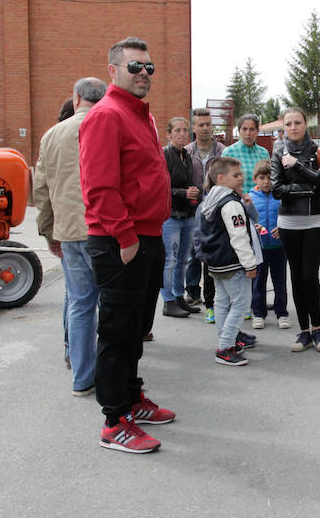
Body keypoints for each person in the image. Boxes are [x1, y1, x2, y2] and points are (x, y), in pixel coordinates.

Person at [80, 36, 175, 454]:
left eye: (149, 68)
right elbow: (99, 187)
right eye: (135, 67)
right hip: (121, 242)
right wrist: (126, 237)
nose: (143, 74)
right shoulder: (107, 115)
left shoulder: (142, 117)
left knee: (137, 330)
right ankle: (113, 421)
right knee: (118, 333)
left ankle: (132, 399)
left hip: (148, 237)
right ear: (113, 71)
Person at [34, 77, 106, 396]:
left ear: (75, 98)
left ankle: (81, 377)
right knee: (110, 303)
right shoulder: (111, 126)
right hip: (105, 232)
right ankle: (111, 372)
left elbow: (42, 189)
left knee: (80, 304)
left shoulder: (52, 135)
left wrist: (48, 232)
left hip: (69, 233)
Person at [271, 107, 320, 353]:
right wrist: (310, 184)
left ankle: (318, 330)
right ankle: (304, 331)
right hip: (289, 221)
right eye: (289, 124)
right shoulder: (278, 151)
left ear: (306, 124)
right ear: (284, 127)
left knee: (310, 275)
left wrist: (297, 166)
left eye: (297, 122)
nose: (293, 127)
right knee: (296, 276)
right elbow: (276, 189)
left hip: (316, 219)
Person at [193, 157, 261, 366]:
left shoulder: (210, 200)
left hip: (216, 262)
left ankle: (227, 340)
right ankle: (224, 348)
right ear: (221, 178)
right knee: (240, 305)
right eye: (236, 175)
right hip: (233, 263)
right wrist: (250, 264)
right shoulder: (231, 203)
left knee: (222, 303)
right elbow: (239, 236)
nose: (242, 178)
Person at [184, 107, 226, 322]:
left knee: (213, 253)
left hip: (217, 211)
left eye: (208, 124)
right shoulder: (186, 151)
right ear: (194, 127)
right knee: (193, 253)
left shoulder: (222, 151)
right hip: (192, 210)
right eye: (201, 125)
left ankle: (218, 295)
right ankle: (193, 290)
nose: (205, 128)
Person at [160, 116, 203, 318]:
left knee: (182, 261)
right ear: (168, 134)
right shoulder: (164, 156)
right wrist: (183, 193)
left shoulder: (187, 156)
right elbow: (161, 188)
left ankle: (178, 296)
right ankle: (168, 300)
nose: (182, 134)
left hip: (187, 214)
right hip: (170, 215)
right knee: (169, 260)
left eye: (185, 130)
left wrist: (194, 192)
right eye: (177, 130)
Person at [249, 160, 290, 329]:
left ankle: (282, 313)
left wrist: (282, 228)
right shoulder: (249, 198)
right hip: (259, 248)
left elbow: (289, 216)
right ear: (255, 179)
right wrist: (254, 227)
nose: (267, 181)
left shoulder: (281, 196)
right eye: (262, 177)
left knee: (280, 281)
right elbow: (246, 220)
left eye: (270, 177)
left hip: (280, 247)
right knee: (258, 282)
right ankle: (258, 313)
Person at [223, 114, 270, 192]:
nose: (248, 133)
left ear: (257, 131)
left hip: (260, 202)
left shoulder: (264, 153)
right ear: (239, 131)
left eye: (252, 129)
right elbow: (223, 183)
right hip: (237, 201)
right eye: (244, 129)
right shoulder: (229, 153)